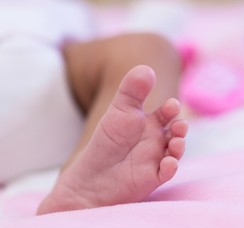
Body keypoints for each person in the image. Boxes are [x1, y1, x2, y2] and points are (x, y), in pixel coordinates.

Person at [34, 34, 189, 215]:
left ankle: (82, 179)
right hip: (35, 58)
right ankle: (82, 178)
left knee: (141, 59)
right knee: (144, 49)